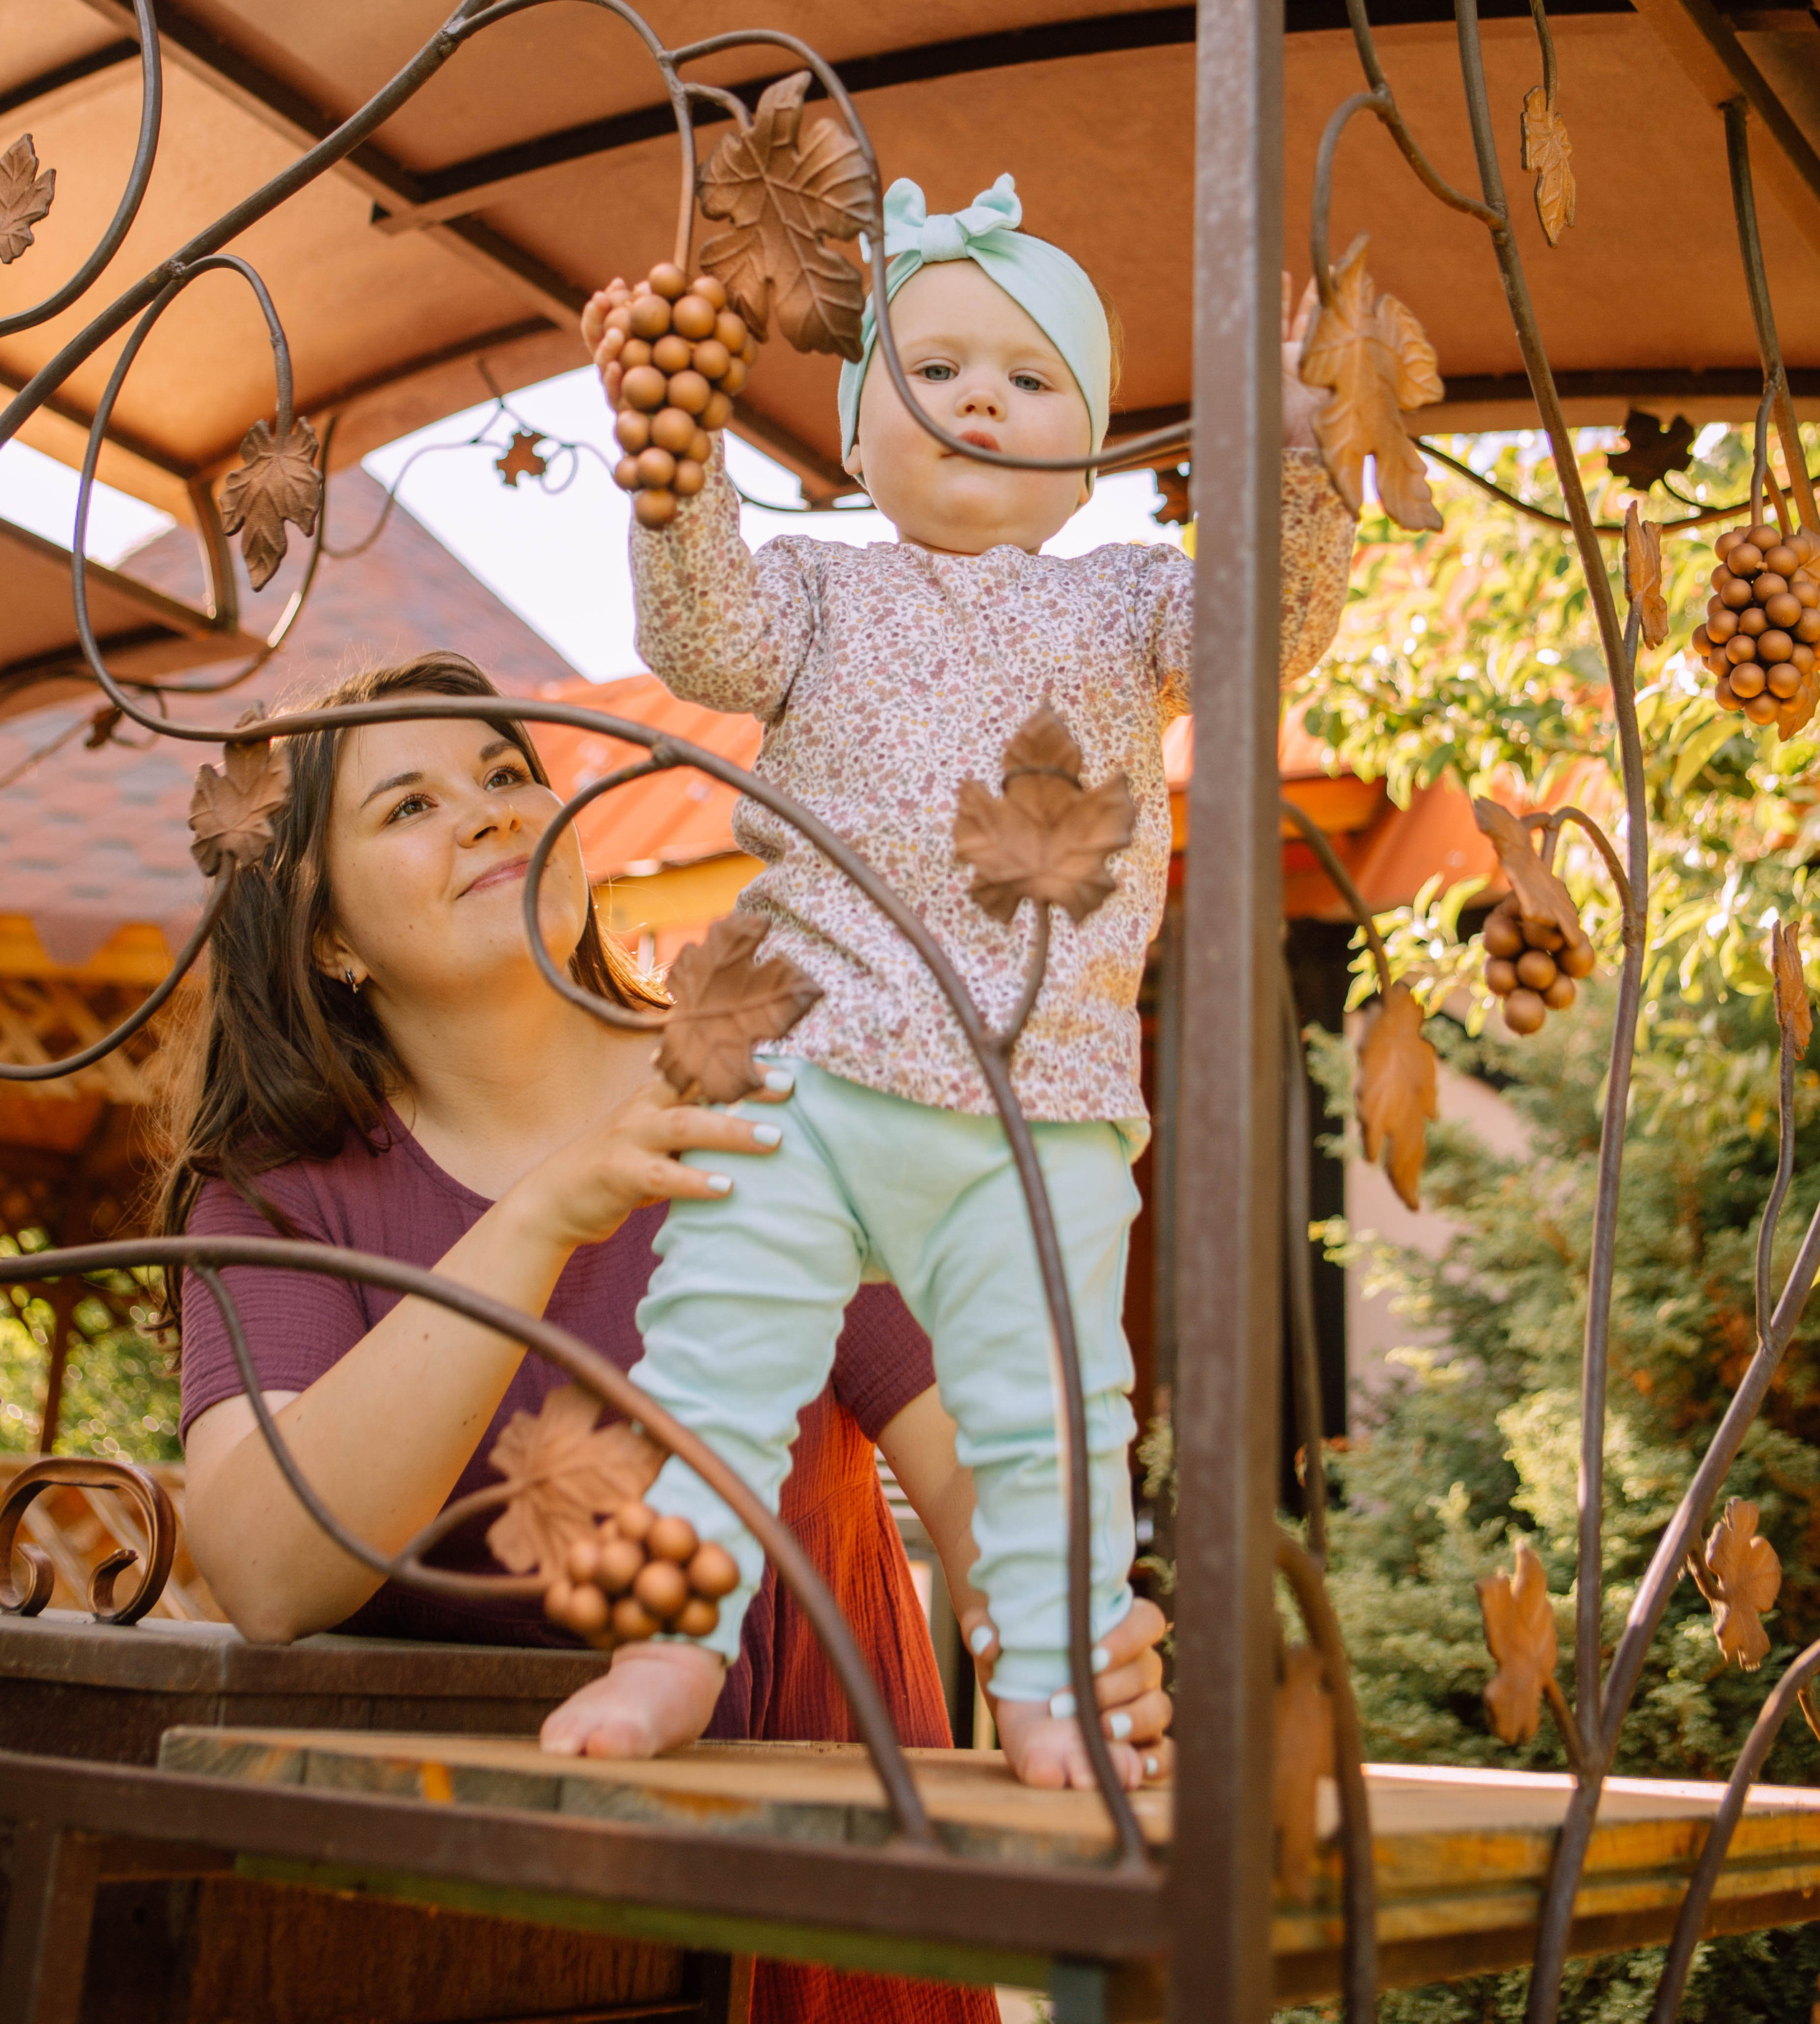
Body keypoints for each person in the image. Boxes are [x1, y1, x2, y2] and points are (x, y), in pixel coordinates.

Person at [161, 650, 1170, 2024]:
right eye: (410, 806)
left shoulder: (775, 1107)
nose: (494, 814)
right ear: (328, 937)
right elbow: (270, 1569)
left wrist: (1051, 1624)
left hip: (799, 1901)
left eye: (511, 776)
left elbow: (977, 1463)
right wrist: (545, 1215)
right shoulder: (278, 1196)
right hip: (434, 1923)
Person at [560, 178, 1353, 1790]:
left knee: (1046, 1407)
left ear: (1090, 440)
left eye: (1029, 375)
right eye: (933, 371)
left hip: (1035, 1099)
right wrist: (676, 460)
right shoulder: (817, 591)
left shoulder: (1123, 598)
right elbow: (702, 640)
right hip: (804, 1067)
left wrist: (1295, 458)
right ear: (858, 429)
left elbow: (1261, 637)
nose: (981, 396)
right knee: (712, 1351)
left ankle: (1049, 1685)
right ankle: (671, 1649)